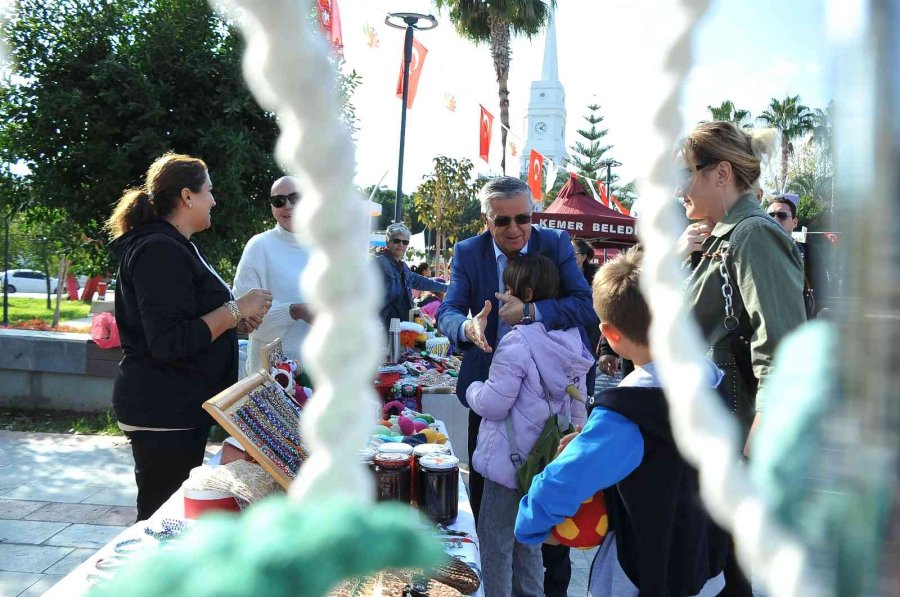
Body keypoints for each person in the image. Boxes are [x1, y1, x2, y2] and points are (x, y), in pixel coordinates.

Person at [514, 248, 729, 596]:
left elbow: (563, 480)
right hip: (706, 567)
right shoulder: (713, 380)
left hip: (641, 574)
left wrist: (529, 523)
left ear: (610, 335)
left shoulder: (627, 412)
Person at [436, 176, 598, 597]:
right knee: (490, 504)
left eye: (523, 218)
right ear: (486, 220)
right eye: (503, 220)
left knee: (547, 515)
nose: (514, 229)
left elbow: (584, 305)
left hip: (547, 409)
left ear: (532, 215)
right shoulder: (468, 251)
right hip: (494, 402)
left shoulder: (556, 244)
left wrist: (529, 312)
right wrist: (467, 327)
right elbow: (449, 309)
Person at [676, 121, 807, 594]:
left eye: (687, 173)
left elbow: (783, 351)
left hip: (738, 447)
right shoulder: (720, 238)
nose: (680, 189)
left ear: (720, 173)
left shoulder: (753, 234)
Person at [107, 152, 271, 521]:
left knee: (171, 515)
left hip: (175, 408)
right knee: (161, 520)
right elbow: (168, 341)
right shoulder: (158, 249)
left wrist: (235, 323)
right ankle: (149, 580)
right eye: (208, 191)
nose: (214, 200)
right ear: (187, 196)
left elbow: (187, 321)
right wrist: (235, 309)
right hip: (163, 409)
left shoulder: (172, 244)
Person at [467, 254, 592, 597]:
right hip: (542, 465)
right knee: (530, 544)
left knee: (495, 548)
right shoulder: (571, 341)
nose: (502, 294)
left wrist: (472, 389)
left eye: (508, 288)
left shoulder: (517, 341)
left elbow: (494, 403)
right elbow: (577, 411)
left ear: (527, 292)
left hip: (506, 465)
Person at [233, 176, 314, 375]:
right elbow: (244, 316)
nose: (287, 205)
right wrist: (296, 311)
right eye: (279, 200)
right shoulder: (259, 246)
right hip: (270, 378)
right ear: (272, 208)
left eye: (295, 198)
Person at [375, 223, 448, 328]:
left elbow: (423, 282)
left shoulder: (403, 267)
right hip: (382, 328)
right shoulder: (378, 263)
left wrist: (448, 288)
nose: (401, 244)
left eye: (405, 242)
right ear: (388, 242)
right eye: (396, 241)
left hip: (402, 326)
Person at [571, 238, 601, 357]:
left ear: (583, 257)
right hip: (569, 320)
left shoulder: (596, 273)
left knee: (588, 356)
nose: (568, 254)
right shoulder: (559, 271)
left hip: (590, 323)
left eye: (573, 253)